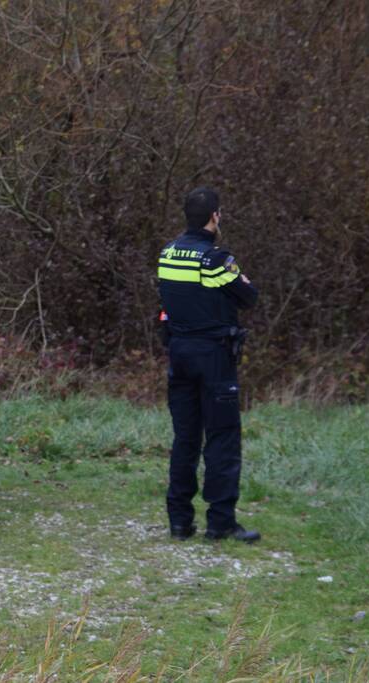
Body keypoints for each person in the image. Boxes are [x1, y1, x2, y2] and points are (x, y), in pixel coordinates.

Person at [157, 188, 260, 543]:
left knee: (185, 437)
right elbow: (248, 297)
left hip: (180, 354)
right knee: (222, 438)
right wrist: (240, 280)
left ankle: (180, 521)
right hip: (214, 356)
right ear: (214, 216)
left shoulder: (168, 253)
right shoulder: (215, 259)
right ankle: (220, 522)